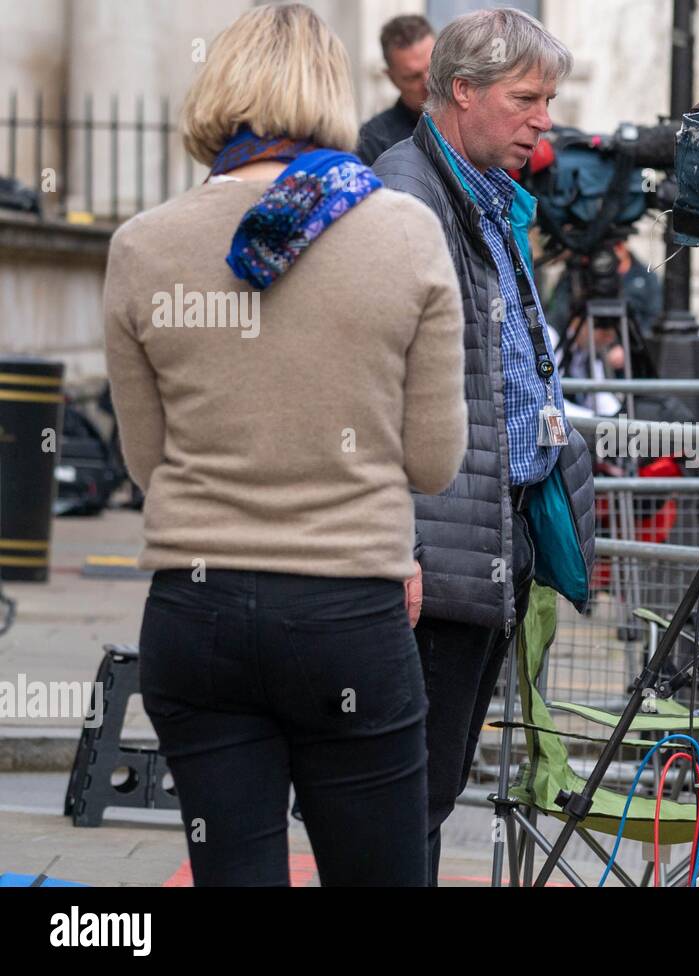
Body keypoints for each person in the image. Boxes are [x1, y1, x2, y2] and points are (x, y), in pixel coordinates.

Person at [103, 3, 467, 885]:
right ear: (330, 93)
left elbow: (145, 463)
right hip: (347, 614)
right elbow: (433, 461)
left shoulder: (142, 245)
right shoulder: (406, 232)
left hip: (197, 617)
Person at [371, 8, 595, 885]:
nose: (545, 119)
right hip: (439, 559)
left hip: (484, 544)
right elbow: (377, 393)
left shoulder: (478, 192)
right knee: (410, 794)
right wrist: (401, 550)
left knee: (431, 785)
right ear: (462, 92)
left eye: (550, 99)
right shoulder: (406, 197)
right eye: (527, 98)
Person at [355, 14, 436, 165]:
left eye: (434, 67)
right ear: (391, 78)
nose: (428, 82)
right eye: (413, 77)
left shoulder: (472, 114)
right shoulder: (373, 140)